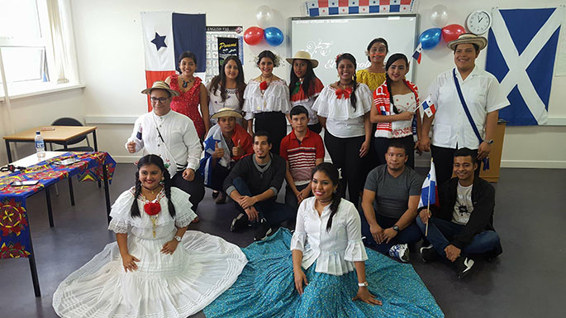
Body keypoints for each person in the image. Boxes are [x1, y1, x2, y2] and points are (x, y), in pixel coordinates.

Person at [203, 163, 444, 318]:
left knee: (312, 309)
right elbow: (298, 238)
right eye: (315, 182)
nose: (318, 187)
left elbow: (355, 247)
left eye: (325, 183)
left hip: (335, 268)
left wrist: (362, 286)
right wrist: (296, 269)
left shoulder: (348, 209)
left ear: (335, 186)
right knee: (274, 293)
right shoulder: (306, 204)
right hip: (306, 260)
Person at [52, 155, 247, 318]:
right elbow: (120, 231)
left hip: (166, 244)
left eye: (154, 173)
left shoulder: (174, 196)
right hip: (139, 246)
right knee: (133, 279)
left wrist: (176, 240)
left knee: (169, 274)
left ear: (163, 174)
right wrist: (125, 255)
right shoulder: (128, 198)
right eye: (144, 173)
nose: (149, 177)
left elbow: (184, 221)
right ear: (138, 174)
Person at [420, 33, 509, 185]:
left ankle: (466, 208)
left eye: (468, 51)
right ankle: (443, 209)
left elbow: (493, 113)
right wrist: (423, 135)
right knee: (441, 182)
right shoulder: (441, 79)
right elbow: (429, 108)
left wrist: (488, 141)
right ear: (454, 54)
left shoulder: (488, 80)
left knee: (470, 182)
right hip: (442, 141)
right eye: (459, 51)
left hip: (472, 142)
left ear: (477, 53)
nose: (463, 55)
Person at [417, 148, 503, 279]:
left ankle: (439, 249)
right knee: (420, 220)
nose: (461, 169)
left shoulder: (486, 190)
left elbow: (478, 222)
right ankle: (459, 260)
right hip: (452, 227)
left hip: (475, 232)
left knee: (492, 239)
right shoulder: (448, 186)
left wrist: (457, 244)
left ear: (475, 166)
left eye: (466, 165)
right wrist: (426, 211)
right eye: (457, 165)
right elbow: (436, 207)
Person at [126, 81, 204, 217]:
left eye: (162, 98)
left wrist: (191, 167)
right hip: (152, 173)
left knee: (194, 191)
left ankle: (188, 212)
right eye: (154, 98)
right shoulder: (142, 120)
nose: (157, 102)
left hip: (179, 171)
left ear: (170, 99)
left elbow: (195, 147)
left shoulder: (184, 121)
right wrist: (131, 146)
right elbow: (137, 142)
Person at [313, 53, 372, 203]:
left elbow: (367, 117)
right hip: (334, 138)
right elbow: (321, 113)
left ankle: (353, 206)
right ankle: (338, 205)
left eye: (349, 66)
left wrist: (367, 140)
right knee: (338, 173)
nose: (345, 69)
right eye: (342, 67)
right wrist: (328, 128)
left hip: (357, 138)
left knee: (354, 174)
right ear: (337, 69)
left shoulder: (362, 89)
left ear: (354, 69)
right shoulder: (328, 90)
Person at [223, 131, 294, 241]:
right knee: (237, 181)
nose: (259, 147)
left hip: (265, 201)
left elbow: (275, 189)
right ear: (253, 146)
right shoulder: (245, 161)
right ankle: (261, 222)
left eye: (263, 143)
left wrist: (254, 200)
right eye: (256, 144)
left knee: (291, 211)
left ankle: (248, 219)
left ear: (270, 146)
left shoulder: (279, 162)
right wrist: (245, 204)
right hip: (244, 202)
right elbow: (227, 182)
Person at [360, 142, 423, 262]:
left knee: (416, 233)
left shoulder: (414, 178)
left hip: (401, 221)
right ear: (386, 156)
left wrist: (395, 228)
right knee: (360, 217)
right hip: (379, 218)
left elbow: (412, 209)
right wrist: (373, 225)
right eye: (391, 154)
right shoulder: (375, 173)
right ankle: (393, 248)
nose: (394, 159)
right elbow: (366, 202)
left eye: (399, 155)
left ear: (405, 158)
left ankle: (372, 241)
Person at [371, 53, 421, 169]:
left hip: (407, 137)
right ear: (387, 69)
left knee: (407, 173)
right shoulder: (380, 91)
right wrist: (400, 117)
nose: (396, 71)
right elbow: (373, 117)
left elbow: (417, 115)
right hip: (386, 139)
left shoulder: (413, 88)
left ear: (407, 69)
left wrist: (419, 137)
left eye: (401, 67)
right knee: (387, 174)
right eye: (393, 67)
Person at [242, 50, 292, 155]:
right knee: (262, 151)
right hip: (260, 122)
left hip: (277, 122)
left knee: (277, 151)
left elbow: (286, 108)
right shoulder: (252, 84)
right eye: (263, 63)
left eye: (269, 63)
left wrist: (293, 125)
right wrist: (250, 130)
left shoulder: (281, 84)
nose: (266, 66)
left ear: (274, 64)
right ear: (259, 65)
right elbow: (250, 111)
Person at [200, 108, 253, 204]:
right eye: (224, 120)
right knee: (214, 169)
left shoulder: (243, 135)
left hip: (237, 168)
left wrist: (242, 153)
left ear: (235, 121)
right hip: (222, 169)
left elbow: (253, 156)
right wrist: (214, 157)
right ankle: (222, 191)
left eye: (231, 119)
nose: (227, 123)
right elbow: (205, 161)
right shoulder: (212, 136)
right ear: (219, 122)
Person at [280, 105, 324, 211]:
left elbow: (319, 167)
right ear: (290, 121)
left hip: (313, 184)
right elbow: (286, 170)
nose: (299, 123)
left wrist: (308, 189)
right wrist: (296, 191)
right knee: (291, 213)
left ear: (308, 120)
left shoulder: (317, 139)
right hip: (293, 186)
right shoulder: (285, 142)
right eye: (296, 119)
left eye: (302, 119)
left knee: (315, 211)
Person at [358, 38, 389, 181]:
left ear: (386, 53)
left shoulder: (392, 74)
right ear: (368, 53)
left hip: (386, 123)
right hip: (364, 124)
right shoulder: (360, 75)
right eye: (374, 49)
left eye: (381, 49)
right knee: (365, 162)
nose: (377, 53)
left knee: (382, 161)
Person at [165, 51, 210, 140]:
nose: (187, 67)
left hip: (194, 126)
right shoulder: (170, 81)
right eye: (184, 63)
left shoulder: (200, 86)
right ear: (179, 65)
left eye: (191, 64)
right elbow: (162, 101)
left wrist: (208, 130)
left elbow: (204, 109)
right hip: (172, 123)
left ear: (195, 66)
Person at [287, 50, 325, 133]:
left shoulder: (315, 82)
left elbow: (321, 107)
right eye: (296, 65)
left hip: (311, 124)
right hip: (296, 125)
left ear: (308, 67)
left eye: (302, 65)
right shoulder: (292, 84)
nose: (298, 68)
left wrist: (324, 125)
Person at [207, 55, 247, 128]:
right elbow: (205, 106)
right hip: (215, 127)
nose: (232, 70)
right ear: (224, 68)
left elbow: (245, 114)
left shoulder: (243, 88)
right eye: (229, 67)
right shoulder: (214, 83)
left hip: (235, 129)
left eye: (235, 68)